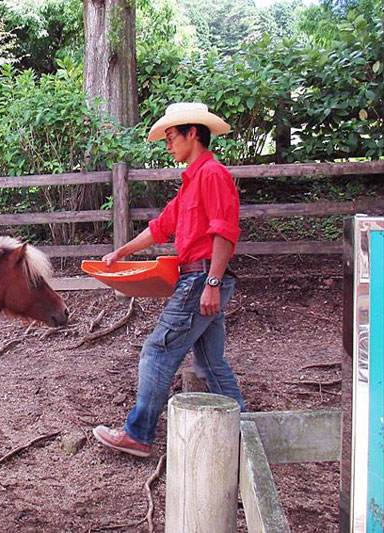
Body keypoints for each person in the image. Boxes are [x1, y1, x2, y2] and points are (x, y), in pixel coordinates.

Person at [92, 102, 246, 458]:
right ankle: (245, 435)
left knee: (156, 352)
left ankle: (138, 434)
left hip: (201, 280)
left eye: (171, 136)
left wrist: (212, 282)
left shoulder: (213, 175)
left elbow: (224, 232)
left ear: (194, 133)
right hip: (199, 279)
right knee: (210, 364)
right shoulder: (191, 181)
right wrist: (121, 252)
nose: (167, 144)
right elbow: (160, 228)